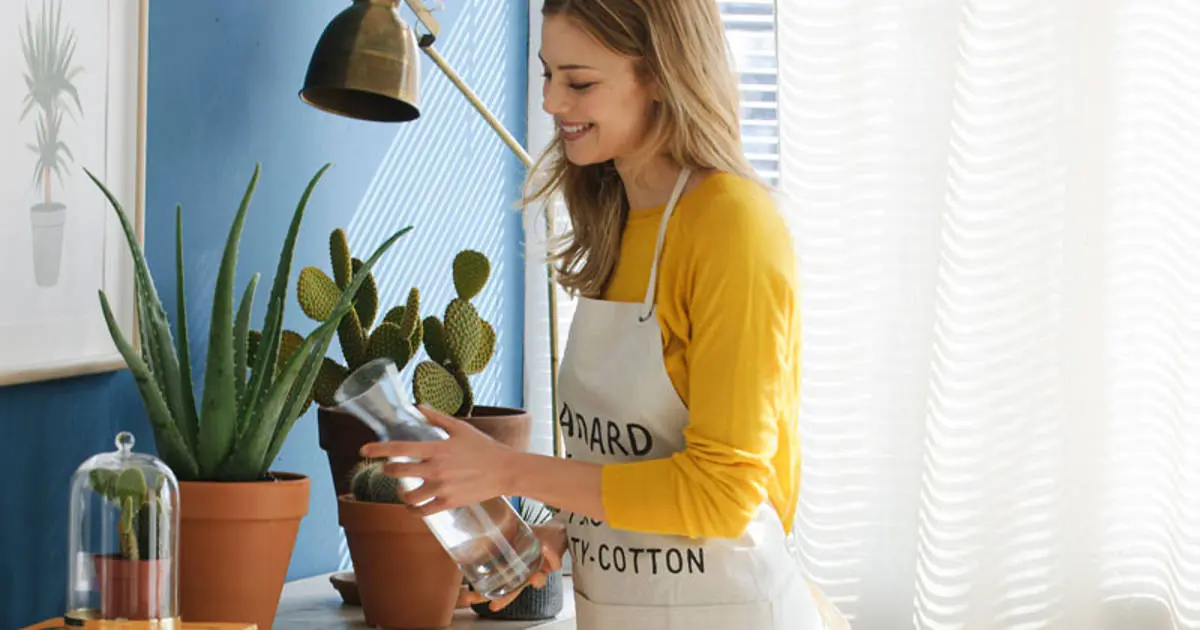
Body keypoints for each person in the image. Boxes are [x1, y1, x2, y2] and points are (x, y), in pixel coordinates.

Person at [360, 1, 833, 627]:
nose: (553, 103)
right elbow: (633, 464)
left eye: (580, 82)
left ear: (662, 76)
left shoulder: (732, 226)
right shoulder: (615, 219)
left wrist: (504, 469)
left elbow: (725, 496)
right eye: (547, 75)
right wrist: (570, 532)